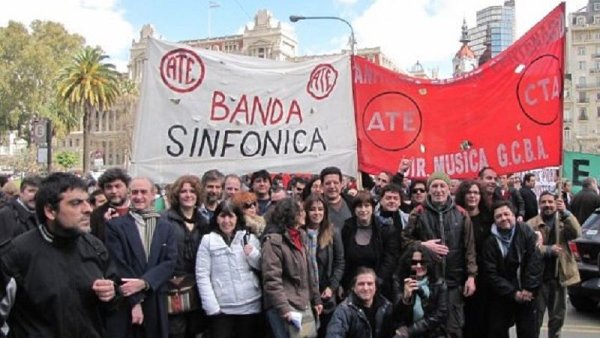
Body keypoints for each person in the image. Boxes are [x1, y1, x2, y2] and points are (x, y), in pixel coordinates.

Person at [0, 172, 119, 337]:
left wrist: (111, 295)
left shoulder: (95, 246)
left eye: (88, 201)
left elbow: (112, 303)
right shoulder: (16, 255)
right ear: (50, 211)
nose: (88, 209)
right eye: (76, 203)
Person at [402, 172, 477, 338]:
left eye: (442, 185)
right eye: (434, 186)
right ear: (429, 190)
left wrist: (471, 276)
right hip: (426, 283)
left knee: (453, 329)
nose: (438, 190)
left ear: (449, 188)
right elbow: (404, 242)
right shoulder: (418, 213)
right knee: (426, 328)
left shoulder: (462, 214)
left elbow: (469, 248)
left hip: (453, 282)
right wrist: (422, 245)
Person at [105, 177, 177, 338]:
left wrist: (145, 282)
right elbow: (117, 263)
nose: (139, 196)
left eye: (143, 192)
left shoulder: (166, 227)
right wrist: (135, 301)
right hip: (127, 300)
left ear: (153, 195)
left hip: (156, 297)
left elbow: (170, 262)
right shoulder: (115, 226)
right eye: (134, 192)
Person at [196, 200, 263, 338]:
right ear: (217, 218)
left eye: (231, 216)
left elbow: (262, 266)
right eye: (222, 216)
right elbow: (202, 275)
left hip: (250, 305)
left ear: (237, 217)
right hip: (222, 308)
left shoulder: (249, 238)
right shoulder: (208, 240)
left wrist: (253, 254)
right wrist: (211, 306)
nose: (226, 221)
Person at [262, 198, 322, 338]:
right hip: (285, 306)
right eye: (301, 211)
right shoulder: (273, 242)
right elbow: (272, 280)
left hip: (303, 303)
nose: (304, 214)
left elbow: (309, 271)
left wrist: (316, 299)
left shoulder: (302, 236)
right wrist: (285, 310)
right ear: (291, 214)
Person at [481, 201, 542, 338]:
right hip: (502, 294)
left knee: (528, 332)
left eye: (506, 214)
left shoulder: (526, 231)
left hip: (527, 292)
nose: (503, 218)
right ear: (494, 220)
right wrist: (513, 293)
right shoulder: (490, 242)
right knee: (497, 331)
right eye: (499, 216)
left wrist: (528, 289)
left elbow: (535, 261)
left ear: (514, 215)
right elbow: (490, 274)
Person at [527, 192, 581, 338]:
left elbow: (577, 232)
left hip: (559, 277)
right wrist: (547, 250)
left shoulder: (563, 221)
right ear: (539, 204)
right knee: (535, 319)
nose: (547, 205)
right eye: (544, 202)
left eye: (550, 202)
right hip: (539, 280)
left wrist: (566, 213)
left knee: (557, 319)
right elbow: (528, 248)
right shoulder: (531, 224)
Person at [162, 175, 209, 338]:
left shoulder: (203, 222)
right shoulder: (165, 219)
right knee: (176, 330)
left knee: (196, 329)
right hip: (173, 285)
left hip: (198, 284)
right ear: (177, 195)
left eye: (192, 191)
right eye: (183, 191)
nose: (188, 195)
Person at [341, 191, 398, 299]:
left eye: (367, 206)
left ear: (373, 207)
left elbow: (390, 258)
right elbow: (342, 257)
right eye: (359, 206)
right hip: (351, 286)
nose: (363, 210)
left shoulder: (385, 229)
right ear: (354, 209)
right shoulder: (347, 227)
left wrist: (376, 282)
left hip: (379, 286)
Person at [454, 180, 493, 338]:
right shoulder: (455, 218)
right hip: (459, 275)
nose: (472, 196)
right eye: (469, 192)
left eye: (476, 192)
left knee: (481, 320)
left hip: (483, 277)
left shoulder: (489, 219)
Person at [303, 193, 345, 337]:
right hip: (305, 293)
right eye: (313, 209)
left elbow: (340, 262)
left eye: (320, 209)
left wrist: (332, 287)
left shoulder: (333, 232)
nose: (317, 213)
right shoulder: (299, 233)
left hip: (326, 292)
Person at [391, 247, 448, 338]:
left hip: (431, 332)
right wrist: (405, 299)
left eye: (422, 262)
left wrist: (411, 331)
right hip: (406, 330)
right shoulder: (400, 282)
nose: (418, 266)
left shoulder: (439, 283)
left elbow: (439, 315)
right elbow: (396, 316)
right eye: (414, 262)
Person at [326, 267, 394, 338]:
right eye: (361, 284)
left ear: (375, 287)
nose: (365, 288)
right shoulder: (343, 311)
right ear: (353, 287)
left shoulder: (386, 306)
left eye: (370, 284)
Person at [90, 167, 131, 242]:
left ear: (128, 188)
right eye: (109, 187)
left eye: (118, 186)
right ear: (103, 190)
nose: (114, 191)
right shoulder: (96, 215)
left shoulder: (138, 211)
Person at [0, 175, 41, 244]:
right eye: (31, 191)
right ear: (21, 193)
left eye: (39, 192)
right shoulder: (5, 214)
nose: (35, 195)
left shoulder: (43, 214)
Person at [321, 167, 353, 231]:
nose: (332, 186)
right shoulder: (315, 206)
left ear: (341, 184)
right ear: (322, 186)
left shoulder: (352, 203)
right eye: (328, 183)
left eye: (335, 183)